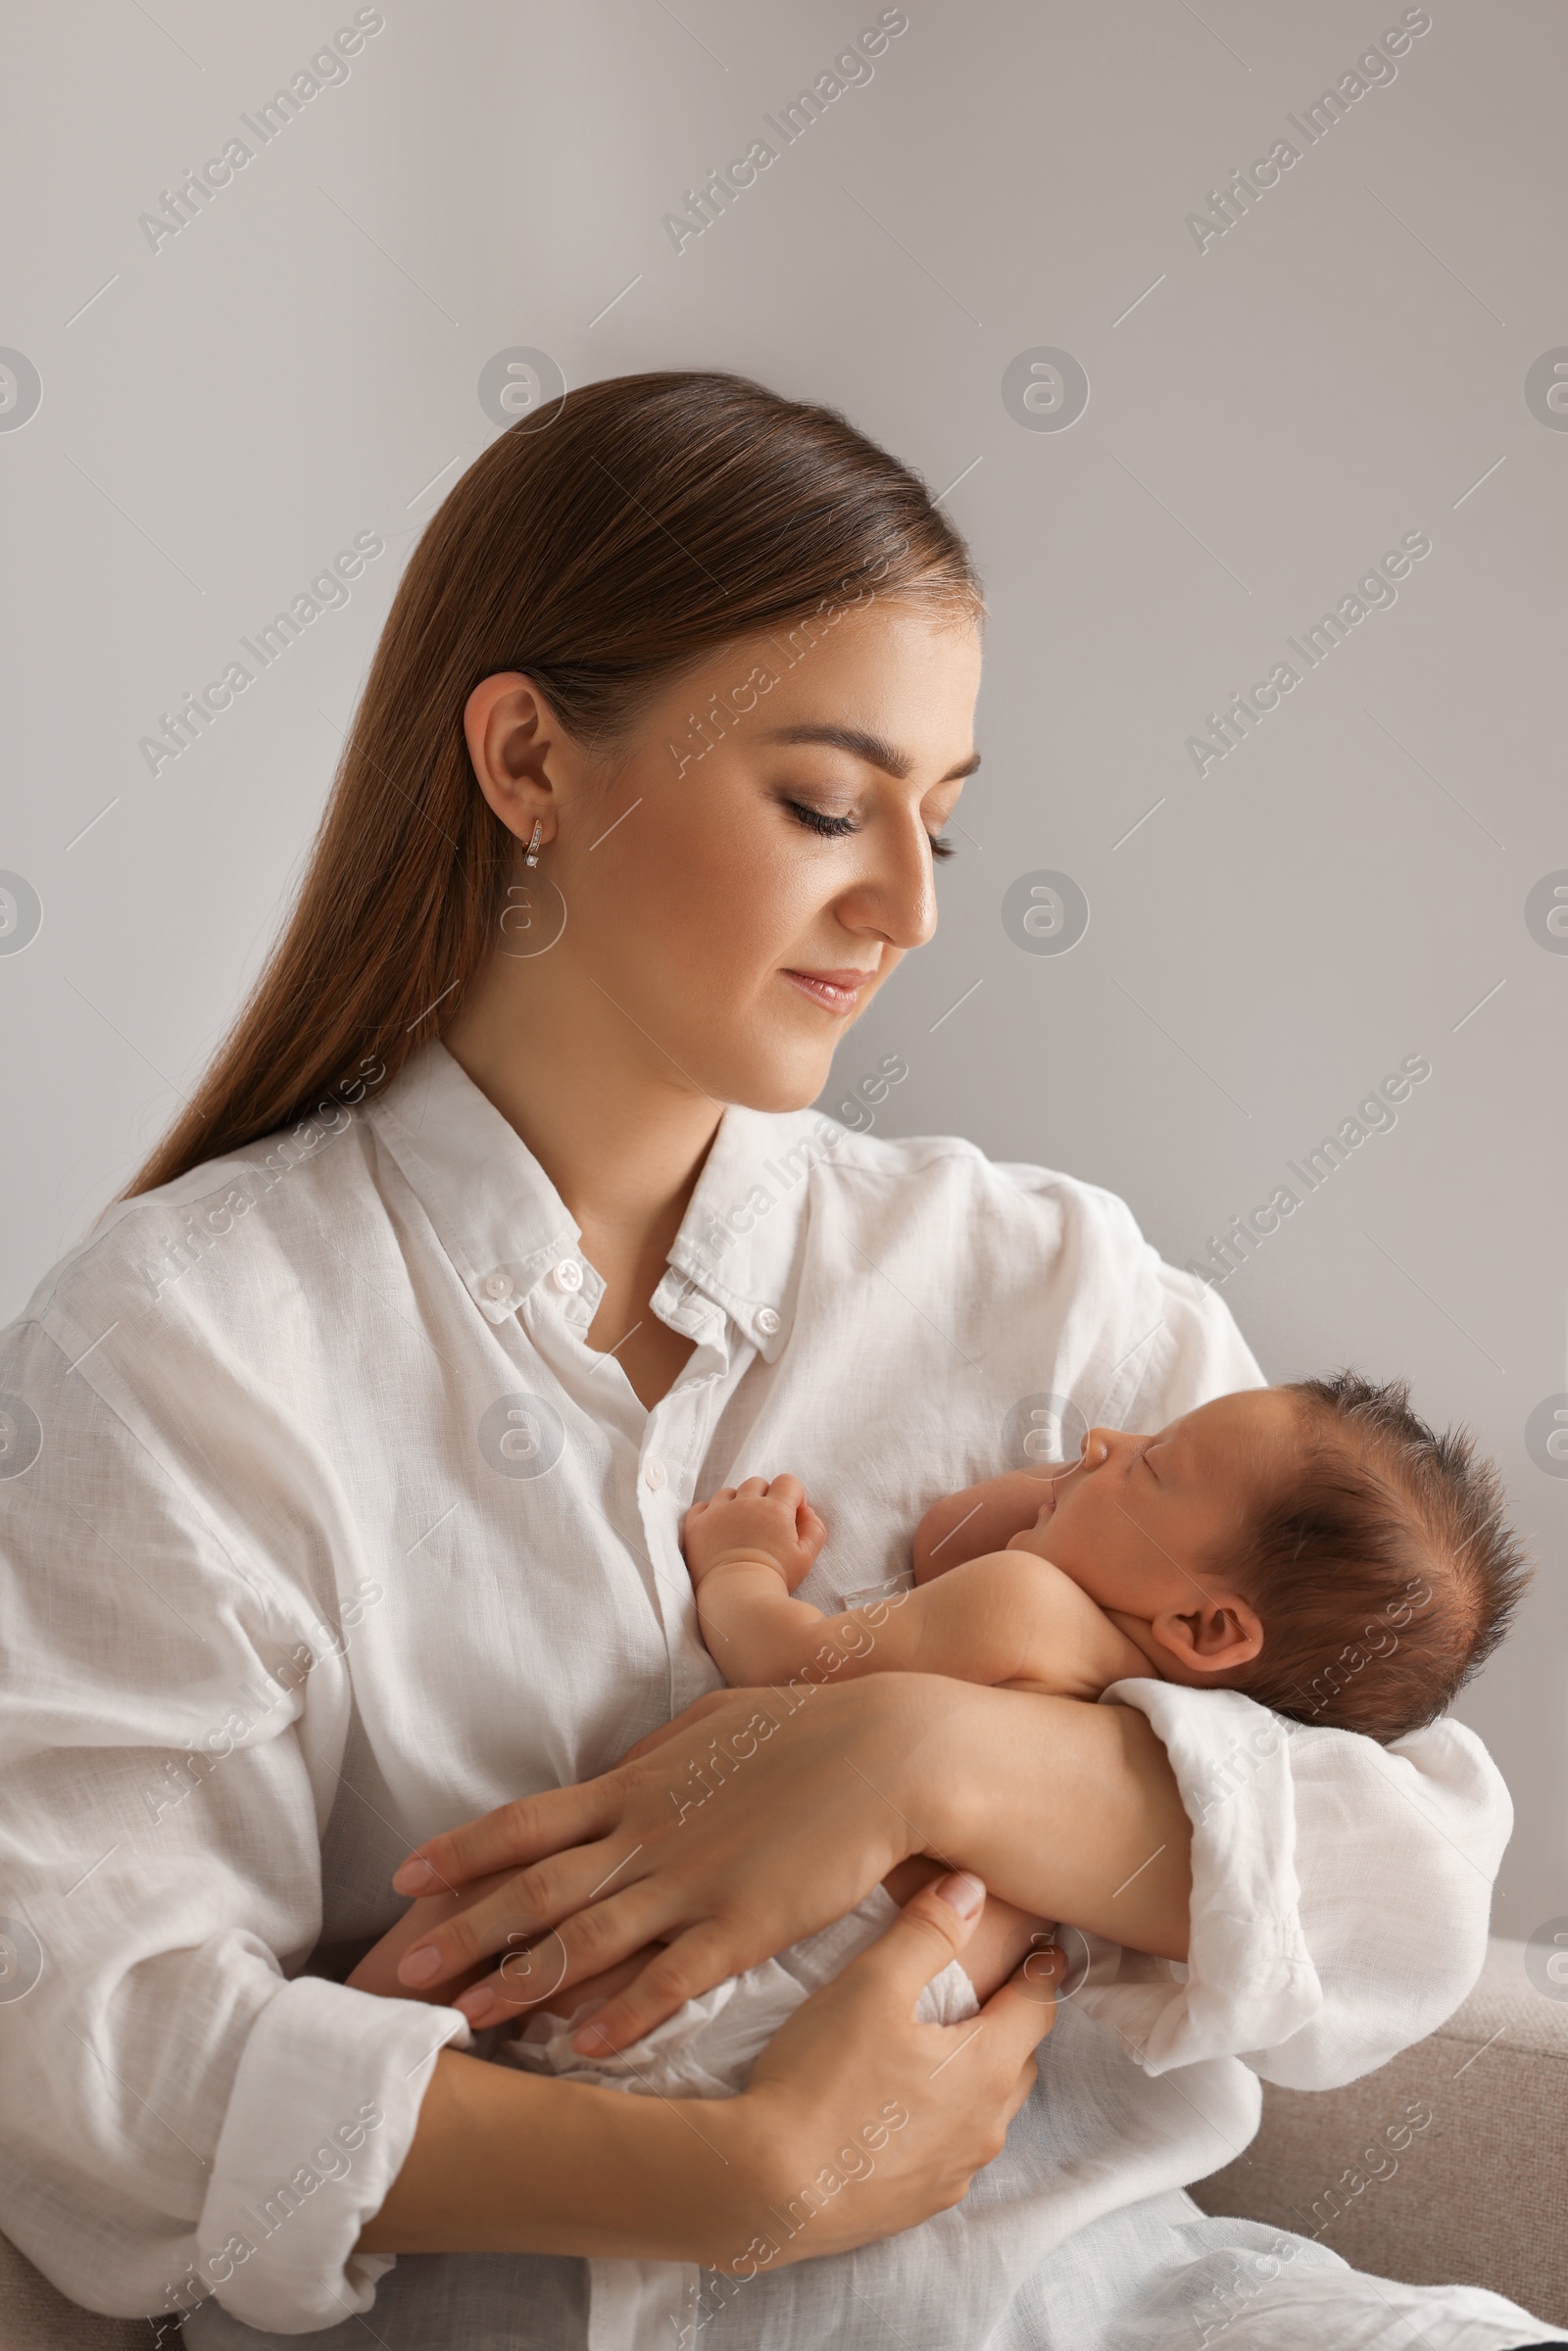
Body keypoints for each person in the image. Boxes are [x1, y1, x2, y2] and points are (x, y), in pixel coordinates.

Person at [0, 372, 1557, 2350]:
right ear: (525, 762)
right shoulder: (188, 1347)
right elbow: (85, 2046)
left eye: (941, 825)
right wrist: (733, 2180)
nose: (904, 908)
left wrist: (935, 1751)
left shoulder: (1049, 1284)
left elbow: (1404, 1876)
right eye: (825, 805)